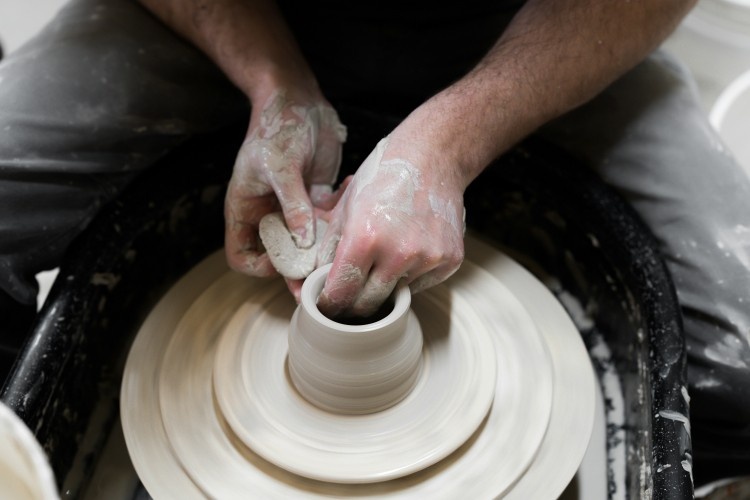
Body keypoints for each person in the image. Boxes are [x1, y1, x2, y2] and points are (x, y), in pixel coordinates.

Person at [0, 0, 748, 488]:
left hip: (536, 36)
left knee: (739, 364)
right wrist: (274, 84)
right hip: (240, 20)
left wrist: (452, 143)